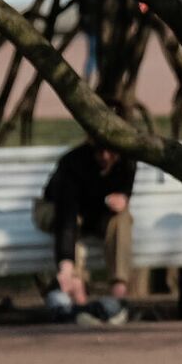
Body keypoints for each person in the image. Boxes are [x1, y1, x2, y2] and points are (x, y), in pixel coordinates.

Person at [33, 134, 136, 325]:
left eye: (111, 151)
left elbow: (123, 195)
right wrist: (66, 265)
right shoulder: (73, 163)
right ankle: (77, 296)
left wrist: (122, 199)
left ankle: (119, 294)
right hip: (57, 209)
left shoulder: (127, 162)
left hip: (94, 213)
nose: (105, 156)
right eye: (100, 151)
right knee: (74, 230)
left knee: (123, 218)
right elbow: (67, 216)